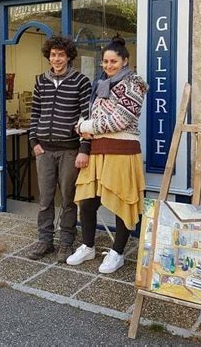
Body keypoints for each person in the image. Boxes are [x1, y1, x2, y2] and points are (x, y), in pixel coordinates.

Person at [66, 35, 148, 273]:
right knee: (88, 201)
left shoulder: (134, 84)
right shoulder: (100, 83)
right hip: (97, 151)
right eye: (105, 61)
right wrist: (85, 131)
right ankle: (88, 245)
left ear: (125, 61)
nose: (108, 65)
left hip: (122, 152)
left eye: (113, 61)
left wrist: (85, 127)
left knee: (123, 201)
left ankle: (117, 252)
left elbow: (121, 120)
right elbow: (94, 116)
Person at [28, 36, 92, 263]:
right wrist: (34, 141)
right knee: (45, 199)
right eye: (53, 54)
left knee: (68, 199)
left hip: (69, 150)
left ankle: (66, 242)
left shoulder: (81, 81)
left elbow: (87, 117)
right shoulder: (40, 81)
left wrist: (84, 148)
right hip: (44, 150)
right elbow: (35, 113)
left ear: (68, 57)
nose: (57, 59)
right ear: (49, 56)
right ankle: (44, 240)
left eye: (61, 55)